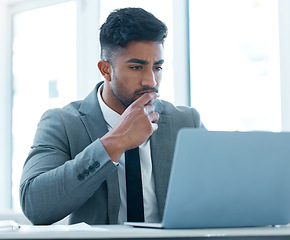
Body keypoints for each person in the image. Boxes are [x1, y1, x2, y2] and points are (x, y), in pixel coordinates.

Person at [20, 7, 205, 225]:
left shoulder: (186, 122)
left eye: (157, 67)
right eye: (137, 67)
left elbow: (221, 195)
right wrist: (114, 143)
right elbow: (35, 206)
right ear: (106, 70)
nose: (151, 81)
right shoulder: (62, 123)